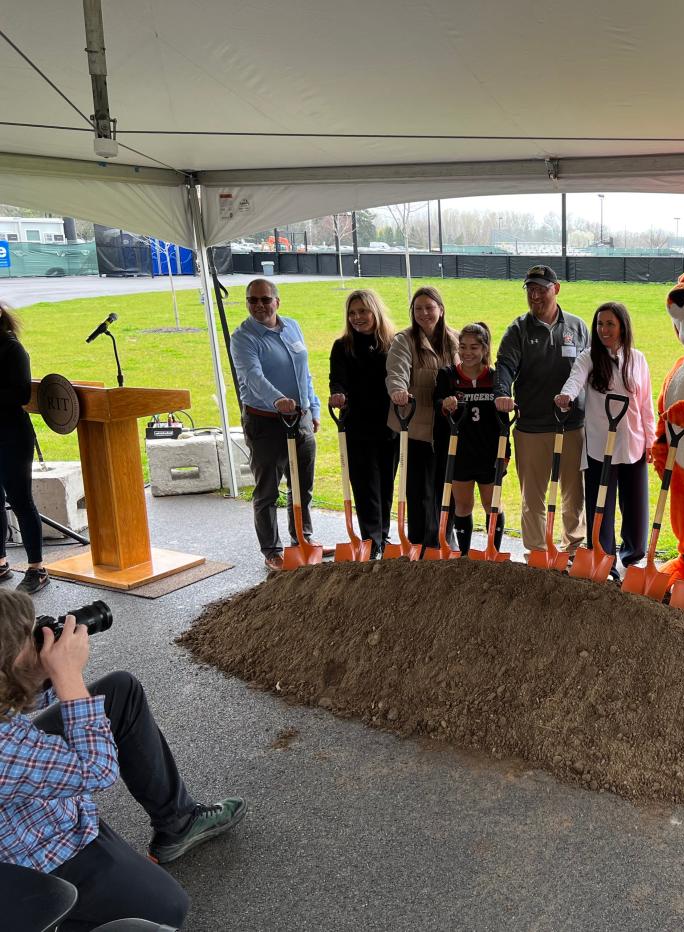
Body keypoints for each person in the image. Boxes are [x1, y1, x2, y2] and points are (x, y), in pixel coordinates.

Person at [0, 590, 245, 930]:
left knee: (119, 690)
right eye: (27, 639)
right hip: (31, 856)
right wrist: (67, 676)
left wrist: (41, 670)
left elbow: (10, 703)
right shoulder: (6, 749)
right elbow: (98, 770)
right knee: (167, 907)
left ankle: (178, 822)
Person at [554, 302, 657, 579]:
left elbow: (646, 404)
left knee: (635, 507)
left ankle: (633, 557)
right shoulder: (589, 358)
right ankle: (603, 557)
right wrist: (566, 397)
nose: (603, 330)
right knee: (601, 506)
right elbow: (574, 381)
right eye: (600, 324)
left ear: (622, 326)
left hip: (632, 444)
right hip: (600, 446)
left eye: (610, 324)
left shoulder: (638, 359)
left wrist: (651, 440)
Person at [494, 265, 590, 559]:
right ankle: (536, 551)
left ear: (556, 289)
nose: (535, 296)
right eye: (530, 290)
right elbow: (505, 366)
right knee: (532, 496)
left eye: (541, 289)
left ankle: (573, 547)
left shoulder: (577, 327)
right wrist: (502, 394)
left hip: (572, 424)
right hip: (532, 426)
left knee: (574, 493)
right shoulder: (518, 330)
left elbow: (591, 368)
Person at [230, 278, 321, 573]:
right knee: (267, 490)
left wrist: (313, 406)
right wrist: (279, 399)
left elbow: (303, 372)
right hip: (266, 422)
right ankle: (272, 550)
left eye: (265, 299)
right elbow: (253, 377)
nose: (259, 305)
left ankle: (302, 539)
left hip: (300, 417)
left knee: (302, 486)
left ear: (277, 302)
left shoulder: (292, 326)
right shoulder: (243, 337)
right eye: (252, 300)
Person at [386, 286, 459, 549]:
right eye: (418, 309)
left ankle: (442, 539)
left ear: (440, 309)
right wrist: (398, 391)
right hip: (414, 424)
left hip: (447, 426)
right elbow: (397, 370)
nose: (424, 313)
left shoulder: (455, 340)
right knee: (417, 489)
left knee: (446, 485)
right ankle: (417, 541)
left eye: (430, 307)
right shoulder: (404, 340)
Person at [328, 289, 399, 556]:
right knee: (365, 485)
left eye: (363, 311)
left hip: (389, 425)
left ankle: (383, 534)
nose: (358, 317)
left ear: (375, 312)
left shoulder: (392, 343)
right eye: (353, 313)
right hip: (357, 426)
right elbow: (337, 379)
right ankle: (371, 539)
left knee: (386, 484)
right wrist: (338, 394)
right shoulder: (343, 346)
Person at [434, 322, 505, 554]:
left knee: (491, 504)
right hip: (460, 451)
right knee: (463, 505)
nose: (467, 352)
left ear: (484, 349)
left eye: (474, 347)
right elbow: (437, 405)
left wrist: (506, 453)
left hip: (488, 452)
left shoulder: (494, 379)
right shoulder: (448, 375)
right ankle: (464, 555)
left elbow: (504, 420)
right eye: (463, 347)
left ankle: (493, 552)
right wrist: (445, 404)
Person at [0, 301, 48, 595]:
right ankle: (1, 562)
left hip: (11, 434)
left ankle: (37, 568)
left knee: (20, 500)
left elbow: (20, 393)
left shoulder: (11, 349)